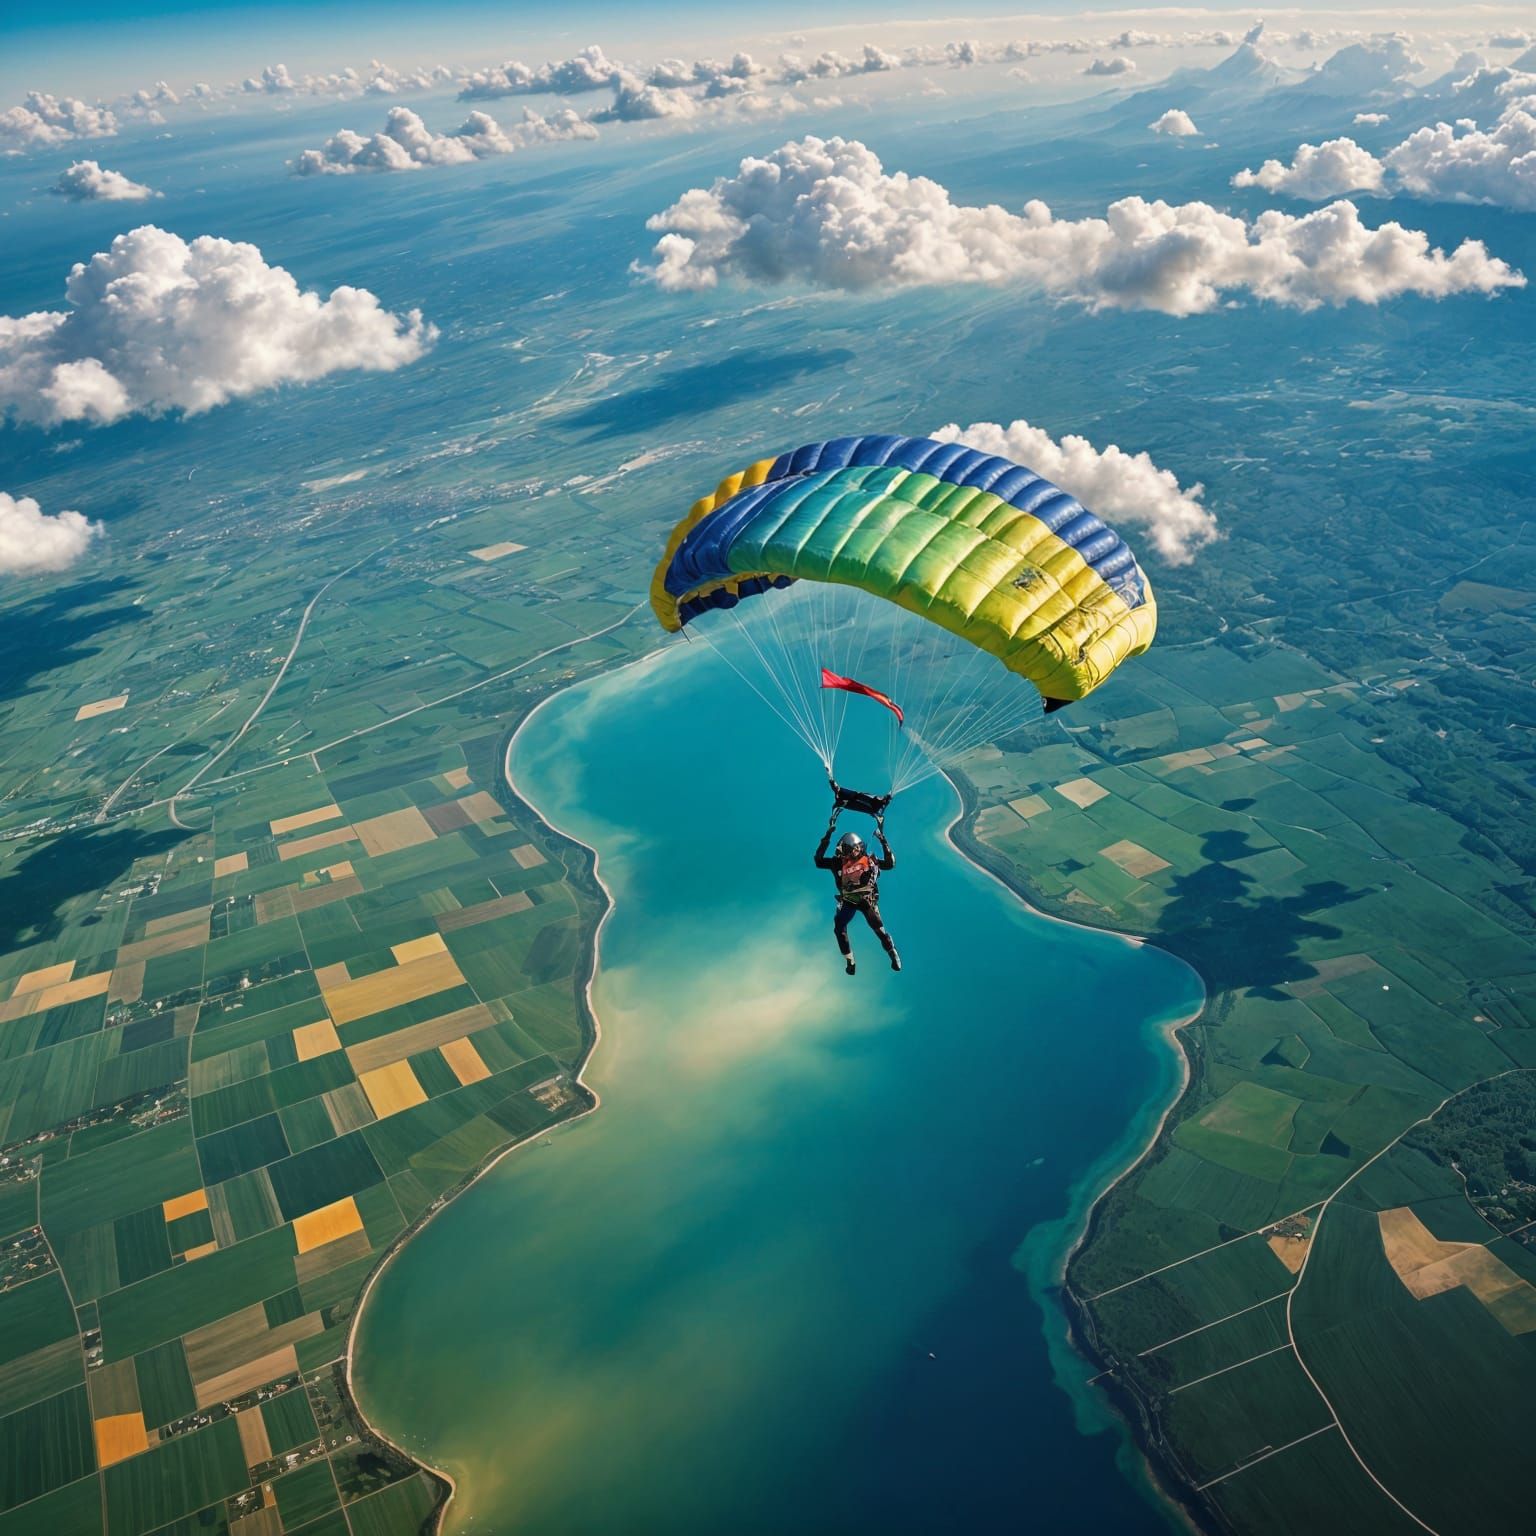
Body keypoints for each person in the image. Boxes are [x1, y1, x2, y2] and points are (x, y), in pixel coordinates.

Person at [814, 811, 901, 975]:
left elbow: (889, 864)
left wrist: (883, 841)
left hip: (865, 899)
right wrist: (827, 835)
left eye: (845, 850)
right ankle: (850, 961)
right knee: (839, 927)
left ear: (855, 848)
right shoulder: (838, 862)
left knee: (878, 928)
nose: (842, 854)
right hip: (849, 900)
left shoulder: (868, 860)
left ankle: (892, 952)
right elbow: (818, 861)